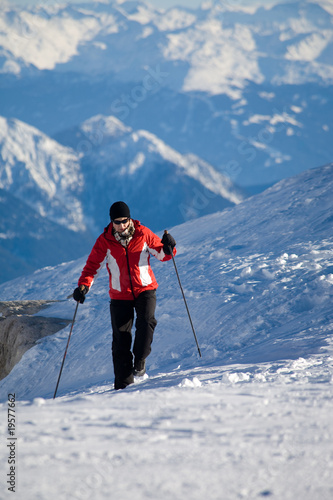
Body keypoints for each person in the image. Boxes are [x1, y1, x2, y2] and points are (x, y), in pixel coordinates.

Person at [73, 201, 176, 390]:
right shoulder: (104, 241)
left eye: (124, 221)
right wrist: (83, 286)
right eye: (117, 222)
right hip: (120, 294)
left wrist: (169, 248)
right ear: (111, 222)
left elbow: (163, 254)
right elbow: (92, 267)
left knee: (146, 322)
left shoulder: (143, 233)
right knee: (121, 340)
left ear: (130, 219)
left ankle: (140, 359)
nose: (121, 226)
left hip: (145, 288)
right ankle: (123, 386)